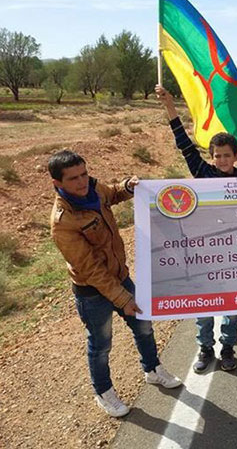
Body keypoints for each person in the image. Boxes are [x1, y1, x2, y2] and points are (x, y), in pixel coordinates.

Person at [48, 150, 181, 418]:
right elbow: (91, 271)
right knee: (101, 344)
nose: (82, 181)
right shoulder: (63, 223)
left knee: (144, 326)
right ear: (57, 184)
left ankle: (152, 369)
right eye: (73, 178)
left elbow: (114, 193)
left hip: (121, 277)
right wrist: (123, 299)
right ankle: (104, 392)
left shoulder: (94, 189)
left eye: (84, 173)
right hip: (92, 293)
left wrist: (127, 187)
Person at [156, 84, 237, 373]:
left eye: (226, 155)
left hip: (235, 253)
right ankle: (205, 348)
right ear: (211, 156)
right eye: (217, 155)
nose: (221, 160)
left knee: (232, 303)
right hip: (203, 252)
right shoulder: (203, 172)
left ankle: (228, 347)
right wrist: (170, 106)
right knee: (203, 303)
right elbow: (183, 143)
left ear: (235, 155)